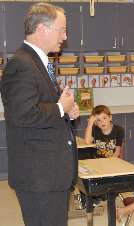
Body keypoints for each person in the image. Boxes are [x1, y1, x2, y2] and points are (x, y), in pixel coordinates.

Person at [0, 3, 79, 226]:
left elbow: (41, 109)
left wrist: (66, 113)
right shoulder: (21, 65)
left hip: (50, 175)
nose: (65, 36)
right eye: (61, 29)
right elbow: (23, 114)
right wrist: (60, 108)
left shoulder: (37, 63)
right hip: (39, 177)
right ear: (43, 29)